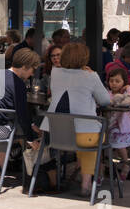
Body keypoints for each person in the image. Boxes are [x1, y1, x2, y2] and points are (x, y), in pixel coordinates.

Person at [42, 41, 114, 196]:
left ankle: (80, 172)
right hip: (84, 136)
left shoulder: (55, 73)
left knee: (84, 134)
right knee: (91, 137)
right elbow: (105, 101)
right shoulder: (91, 76)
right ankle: (86, 182)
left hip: (57, 135)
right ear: (85, 58)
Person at [0, 47, 41, 183]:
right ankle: (34, 170)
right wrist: (31, 139)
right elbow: (22, 114)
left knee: (8, 123)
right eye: (32, 70)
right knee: (18, 129)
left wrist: (31, 124)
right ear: (25, 67)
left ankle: (0, 167)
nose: (32, 74)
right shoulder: (18, 84)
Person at [105, 67, 130, 180]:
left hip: (122, 126)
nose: (114, 84)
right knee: (107, 145)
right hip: (109, 125)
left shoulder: (126, 93)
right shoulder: (108, 93)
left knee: (119, 144)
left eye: (117, 81)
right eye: (111, 81)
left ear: (124, 82)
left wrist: (129, 87)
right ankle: (109, 167)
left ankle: (126, 164)